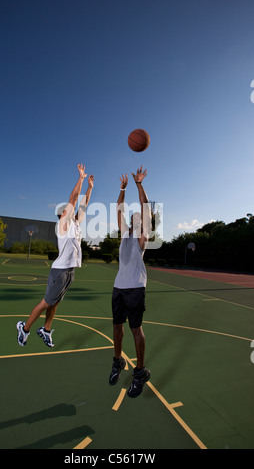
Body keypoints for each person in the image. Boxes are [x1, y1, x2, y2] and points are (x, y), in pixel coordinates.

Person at [17, 163, 94, 348]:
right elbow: (74, 198)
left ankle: (46, 329)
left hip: (69, 272)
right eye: (69, 210)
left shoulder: (75, 224)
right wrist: (81, 178)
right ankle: (25, 328)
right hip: (59, 271)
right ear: (63, 215)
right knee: (46, 302)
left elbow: (83, 205)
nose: (73, 210)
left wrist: (90, 188)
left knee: (55, 302)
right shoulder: (63, 225)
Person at [109, 166, 151, 398]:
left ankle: (140, 371)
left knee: (135, 329)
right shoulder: (125, 233)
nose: (134, 218)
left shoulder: (142, 237)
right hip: (119, 287)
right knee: (117, 327)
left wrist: (138, 184)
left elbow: (145, 206)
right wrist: (123, 188)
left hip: (135, 286)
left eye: (138, 218)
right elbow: (118, 209)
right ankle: (117, 362)